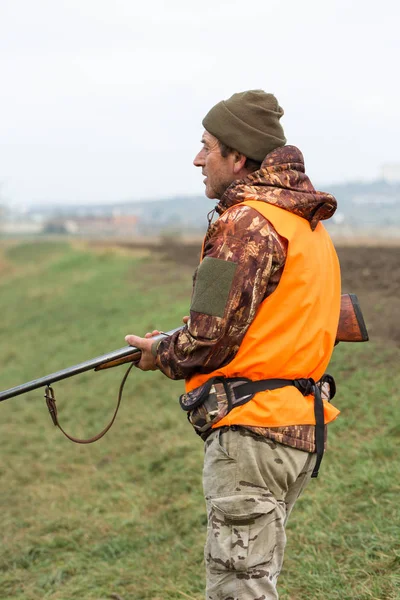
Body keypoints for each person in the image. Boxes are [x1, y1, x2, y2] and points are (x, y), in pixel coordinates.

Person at [125, 90, 341, 600]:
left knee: (238, 588)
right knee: (253, 578)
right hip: (297, 430)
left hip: (252, 434)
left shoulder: (244, 223)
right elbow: (259, 322)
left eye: (207, 146)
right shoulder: (305, 224)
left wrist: (162, 352)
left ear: (237, 155)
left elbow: (207, 337)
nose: (198, 159)